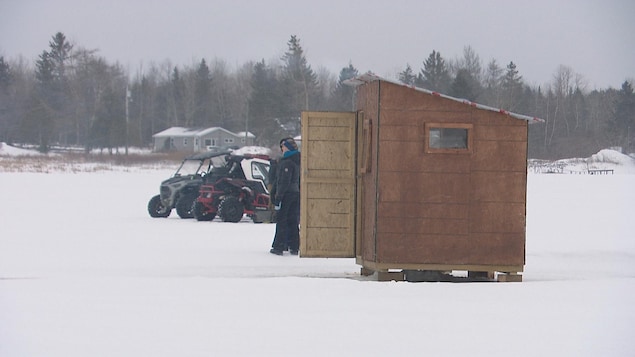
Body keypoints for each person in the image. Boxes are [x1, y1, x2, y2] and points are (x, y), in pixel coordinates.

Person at [269, 137, 300, 255]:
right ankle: (294, 245)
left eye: (283, 146)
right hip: (295, 193)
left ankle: (279, 246)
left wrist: (278, 196)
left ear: (288, 147)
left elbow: (283, 181)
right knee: (292, 220)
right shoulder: (297, 160)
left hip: (287, 194)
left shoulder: (287, 162)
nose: (282, 148)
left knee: (281, 220)